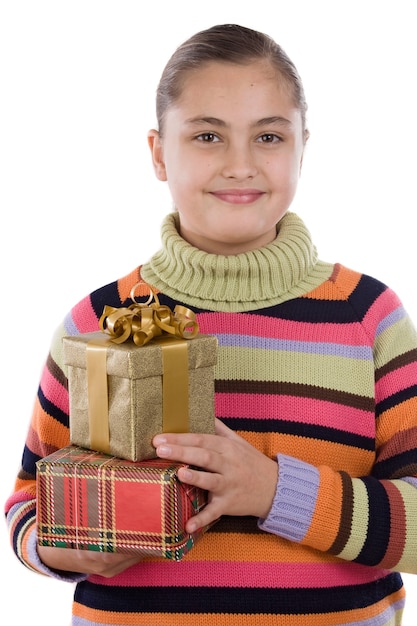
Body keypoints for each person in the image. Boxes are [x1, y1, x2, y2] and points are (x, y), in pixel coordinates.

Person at [5, 22, 417, 626]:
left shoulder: (369, 319)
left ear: (304, 146)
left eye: (269, 136)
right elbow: (26, 504)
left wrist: (276, 493)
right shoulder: (97, 323)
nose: (240, 165)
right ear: (157, 153)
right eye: (207, 136)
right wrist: (61, 545)